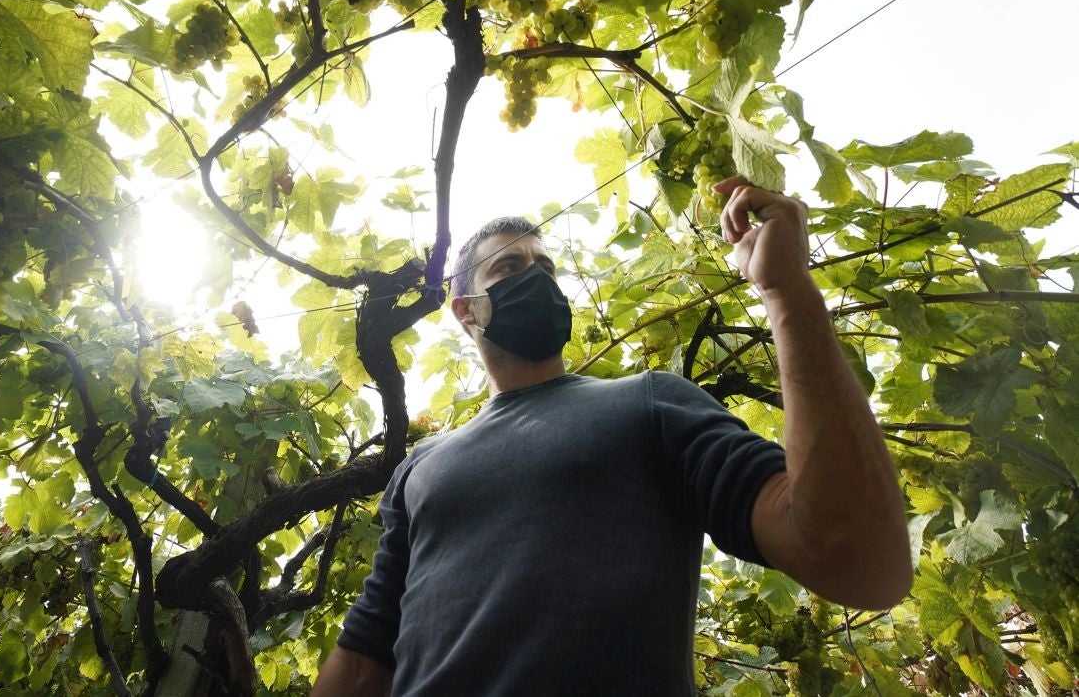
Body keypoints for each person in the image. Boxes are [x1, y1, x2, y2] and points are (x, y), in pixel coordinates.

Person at [311, 178, 912, 696]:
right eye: (510, 268)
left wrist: (787, 294)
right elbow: (364, 663)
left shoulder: (650, 400)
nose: (538, 280)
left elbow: (858, 561)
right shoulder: (419, 467)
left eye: (546, 269)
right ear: (466, 309)